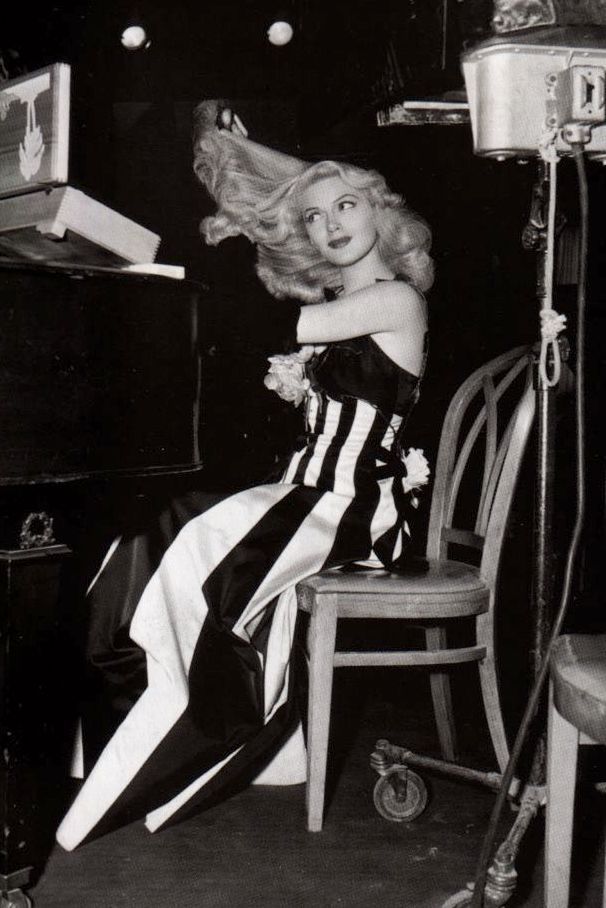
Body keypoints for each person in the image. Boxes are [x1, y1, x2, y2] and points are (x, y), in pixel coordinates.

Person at [56, 101, 433, 850]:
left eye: (348, 205)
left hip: (354, 506)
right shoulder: (343, 298)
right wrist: (230, 157)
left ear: (383, 214)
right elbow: (282, 291)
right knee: (154, 527)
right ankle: (109, 736)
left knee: (197, 549)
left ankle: (188, 743)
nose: (331, 223)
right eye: (318, 215)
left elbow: (262, 324)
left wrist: (219, 206)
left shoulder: (395, 298)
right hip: (307, 492)